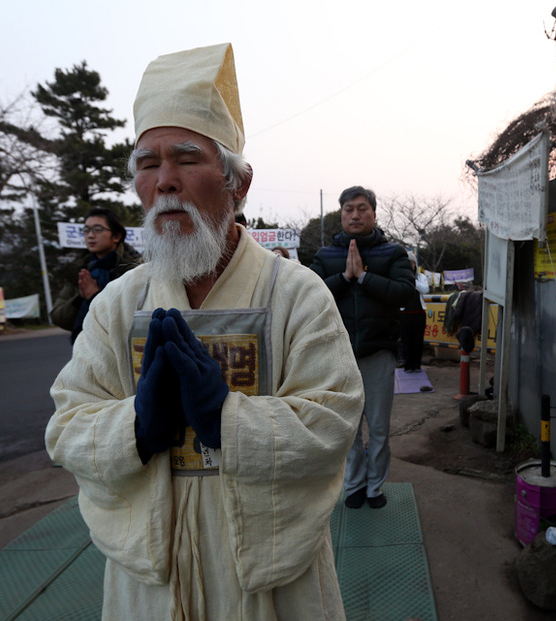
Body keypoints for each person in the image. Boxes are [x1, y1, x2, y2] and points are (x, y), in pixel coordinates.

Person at [45, 43, 364, 620]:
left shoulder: (295, 294)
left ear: (238, 184)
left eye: (186, 158)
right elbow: (67, 425)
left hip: (268, 578)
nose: (165, 181)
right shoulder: (118, 304)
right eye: (147, 163)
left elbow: (335, 416)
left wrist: (226, 419)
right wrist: (138, 425)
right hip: (152, 577)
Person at [311, 186, 414, 510]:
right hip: (337, 356)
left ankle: (375, 488)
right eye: (348, 210)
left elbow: (403, 292)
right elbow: (312, 296)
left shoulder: (392, 253)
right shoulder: (325, 256)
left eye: (362, 209)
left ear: (373, 212)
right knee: (348, 428)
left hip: (378, 353)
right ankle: (354, 485)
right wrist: (344, 277)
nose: (355, 215)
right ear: (340, 215)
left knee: (379, 428)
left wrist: (365, 277)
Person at [50, 207, 141, 343]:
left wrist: (95, 297)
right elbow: (58, 317)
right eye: (86, 230)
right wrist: (80, 298)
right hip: (86, 346)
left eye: (97, 229)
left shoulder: (133, 269)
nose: (90, 235)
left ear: (116, 236)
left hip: (126, 346)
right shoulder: (80, 270)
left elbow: (137, 315)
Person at [398, 251, 429, 372]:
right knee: (406, 340)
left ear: (415, 264)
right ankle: (407, 365)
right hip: (404, 313)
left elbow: (425, 289)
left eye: (411, 263)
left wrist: (411, 280)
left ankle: (417, 365)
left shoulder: (421, 277)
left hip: (419, 313)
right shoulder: (399, 276)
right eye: (407, 263)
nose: (410, 265)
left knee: (418, 340)